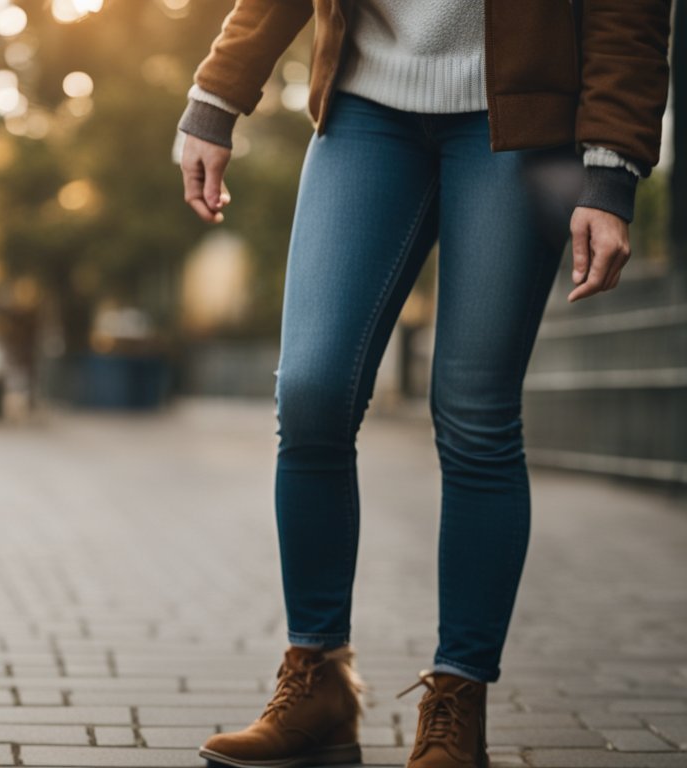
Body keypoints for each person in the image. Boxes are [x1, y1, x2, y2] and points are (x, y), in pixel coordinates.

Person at [177, 2, 670, 767]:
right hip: (365, 106)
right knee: (310, 392)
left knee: (474, 412)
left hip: (519, 120)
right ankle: (319, 682)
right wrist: (215, 98)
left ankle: (458, 700)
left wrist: (612, 167)